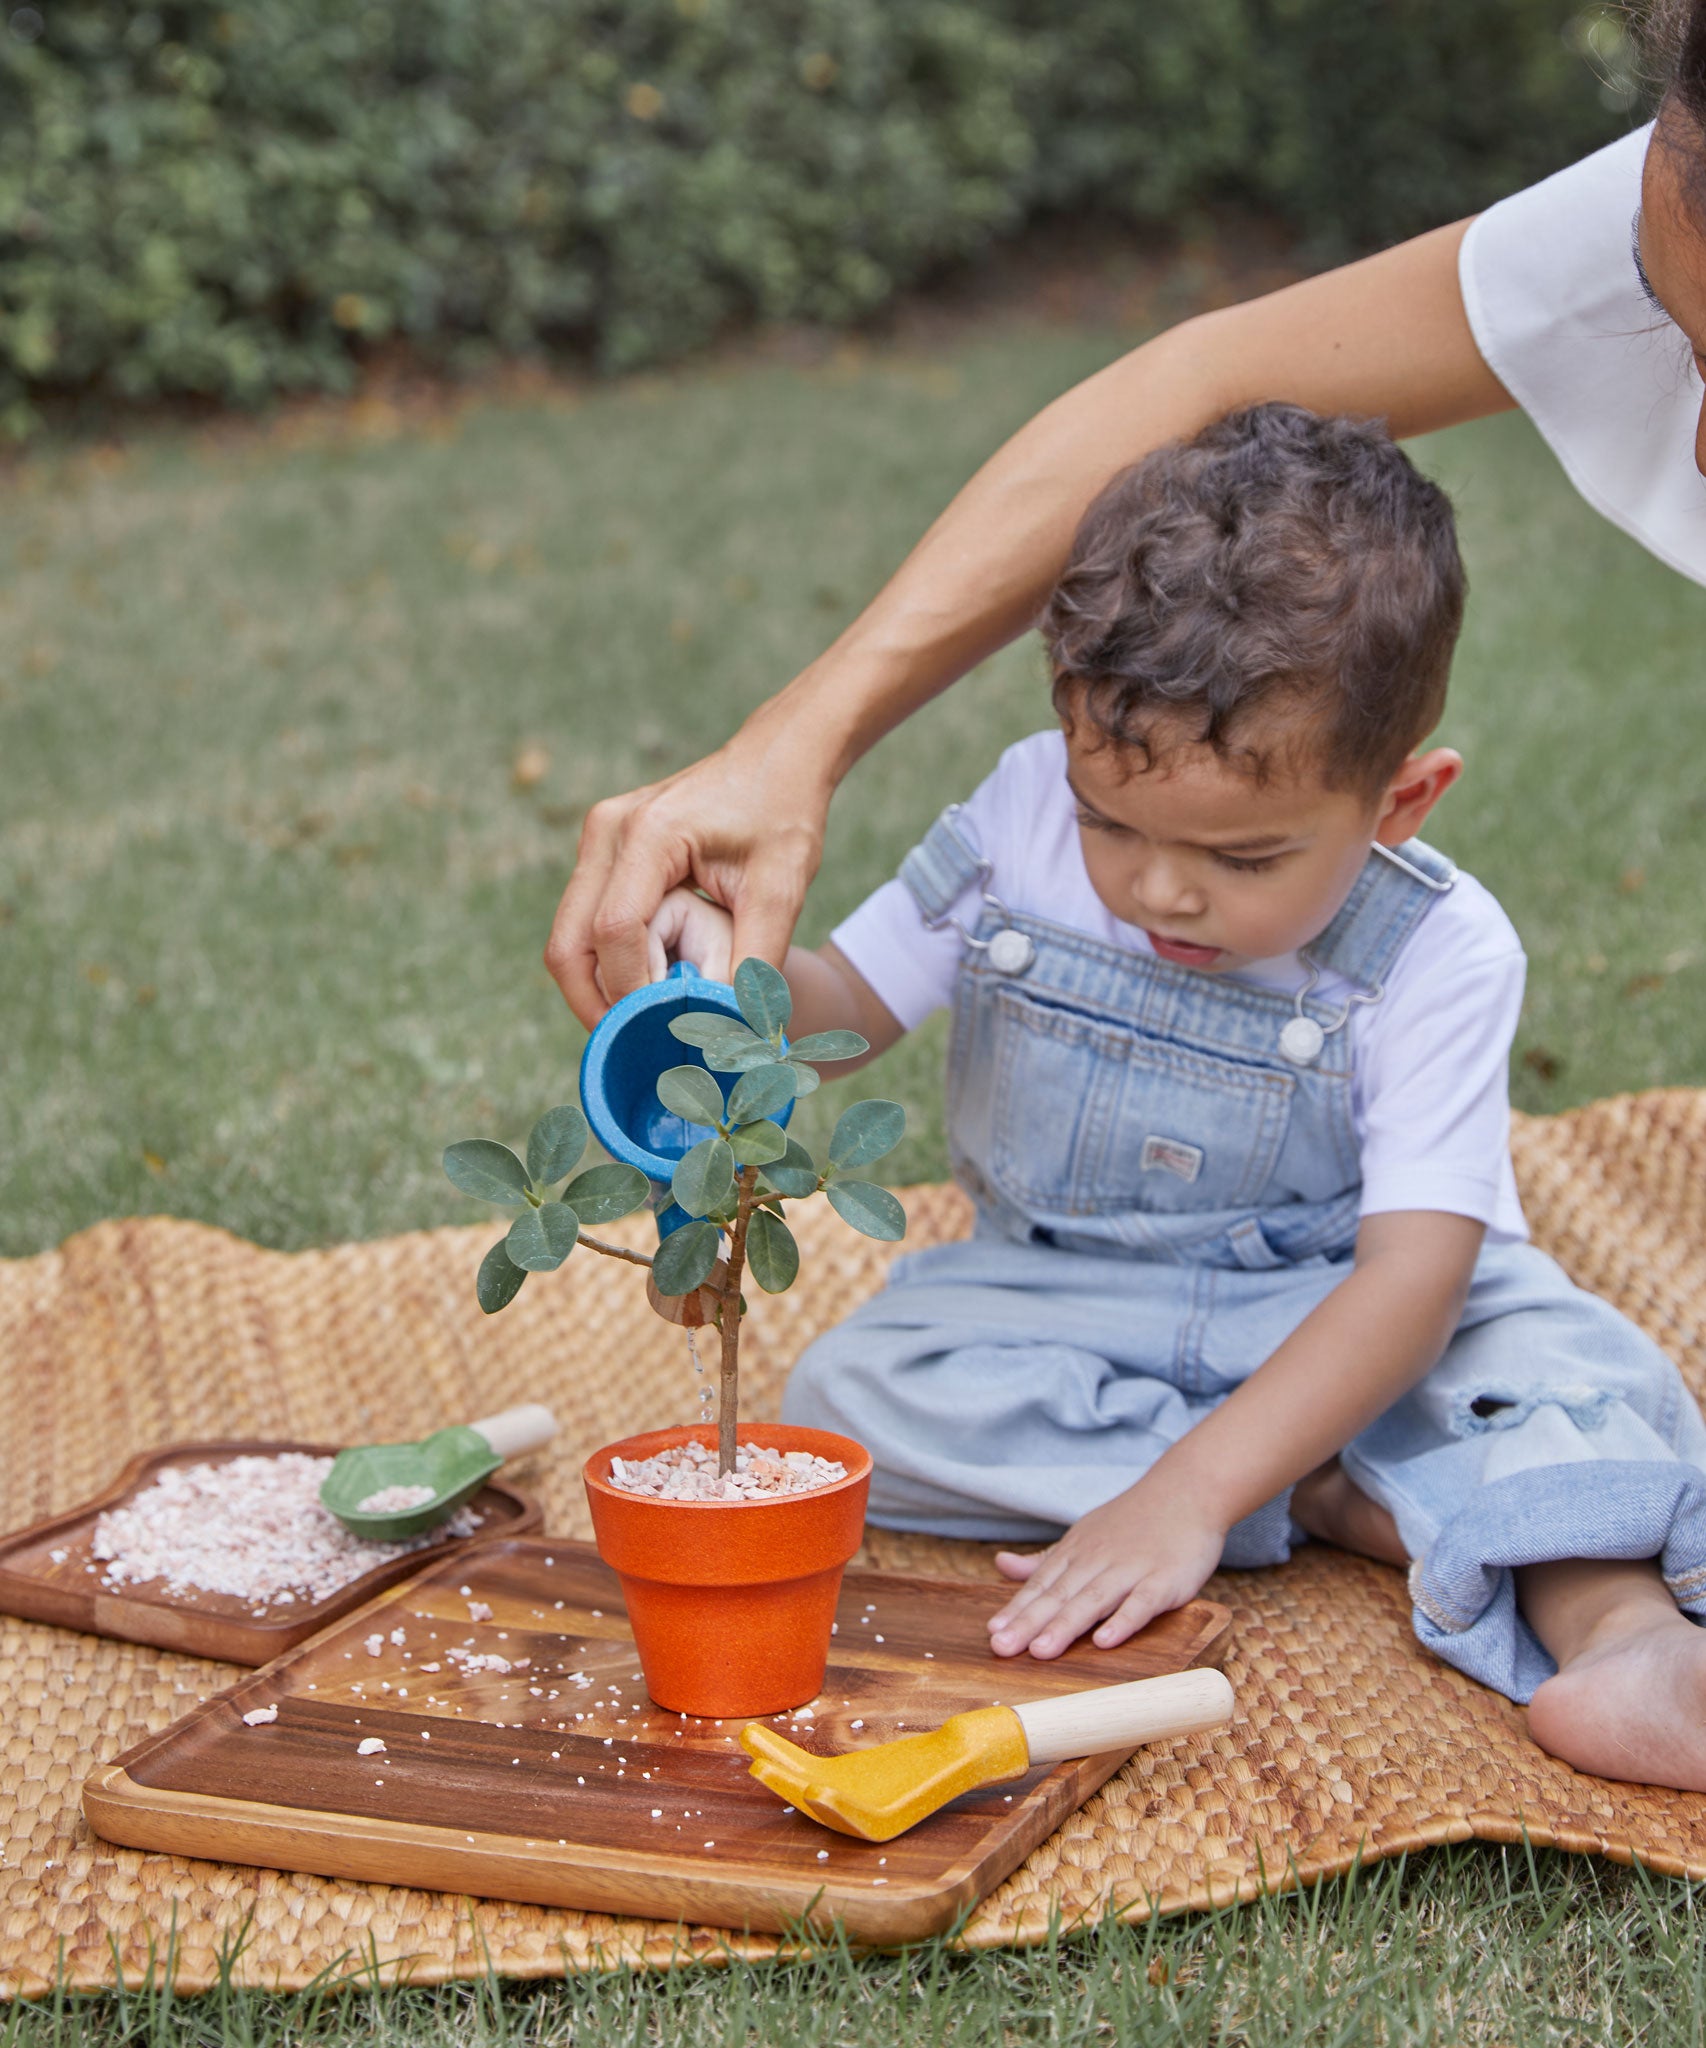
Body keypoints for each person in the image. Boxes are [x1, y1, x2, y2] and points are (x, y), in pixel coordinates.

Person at [645, 404, 1706, 1794]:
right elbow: (845, 1005)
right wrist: (731, 984)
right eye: (1111, 823)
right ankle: (1334, 1487)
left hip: (1347, 1301)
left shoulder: (1441, 949)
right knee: (857, 1393)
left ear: (1401, 800)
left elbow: (1414, 1280)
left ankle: (1627, 1644)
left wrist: (1188, 1488)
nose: (1155, 888)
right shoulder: (1021, 812)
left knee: (1571, 1391)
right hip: (1068, 1292)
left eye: (1242, 854)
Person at [546, 0, 1706, 1025]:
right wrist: (785, 750)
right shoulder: (1680, 180)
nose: (1690, 446)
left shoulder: (1434, 960)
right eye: (1673, 330)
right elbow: (1195, 389)